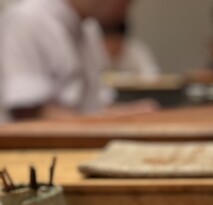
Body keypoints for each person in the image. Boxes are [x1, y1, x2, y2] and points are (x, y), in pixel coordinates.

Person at [0, 0, 156, 120]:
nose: (127, 6)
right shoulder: (26, 21)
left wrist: (130, 114)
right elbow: (29, 114)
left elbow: (93, 108)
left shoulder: (89, 28)